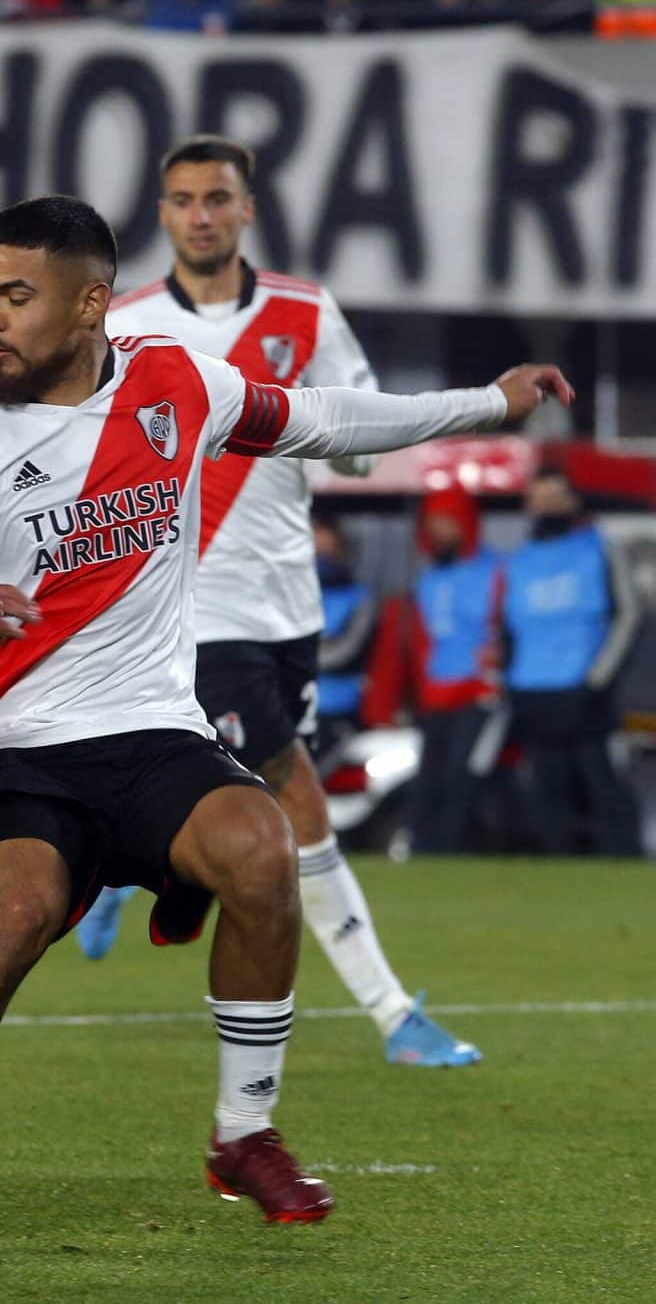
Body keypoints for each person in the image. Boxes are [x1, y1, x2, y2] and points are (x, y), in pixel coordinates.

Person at [0, 194, 571, 1255]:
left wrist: (483, 405)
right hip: (15, 741)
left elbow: (325, 418)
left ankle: (241, 1134)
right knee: (19, 913)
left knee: (262, 848)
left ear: (89, 306)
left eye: (16, 295)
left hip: (149, 729)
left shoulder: (176, 384)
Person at [86, 133, 480, 1067]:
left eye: (217, 198)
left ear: (247, 208)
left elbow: (360, 436)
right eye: (183, 200)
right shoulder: (135, 321)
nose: (202, 215)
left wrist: (338, 434)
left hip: (286, 599)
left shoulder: (305, 310)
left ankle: (124, 856)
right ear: (163, 214)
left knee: (250, 794)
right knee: (297, 798)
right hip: (195, 602)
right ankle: (393, 1013)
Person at [502, 469, 644, 856]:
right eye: (538, 498)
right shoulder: (520, 561)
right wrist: (508, 681)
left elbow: (630, 615)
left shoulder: (600, 548)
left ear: (572, 502)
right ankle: (557, 861)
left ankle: (624, 858)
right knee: (548, 785)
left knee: (602, 781)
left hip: (583, 689)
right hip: (532, 688)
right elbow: (507, 629)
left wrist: (597, 679)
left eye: (554, 497)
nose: (546, 506)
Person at [361, 485, 505, 854]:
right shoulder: (426, 582)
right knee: (429, 779)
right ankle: (425, 849)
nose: (440, 531)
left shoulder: (495, 573)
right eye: (434, 523)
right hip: (436, 698)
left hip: (479, 695)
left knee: (464, 777)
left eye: (448, 522)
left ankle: (456, 849)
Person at [312, 514, 378, 753]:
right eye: (315, 549)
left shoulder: (359, 598)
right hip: (297, 710)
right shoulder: (292, 597)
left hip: (342, 707)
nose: (320, 557)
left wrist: (300, 658)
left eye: (327, 549)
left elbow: (349, 650)